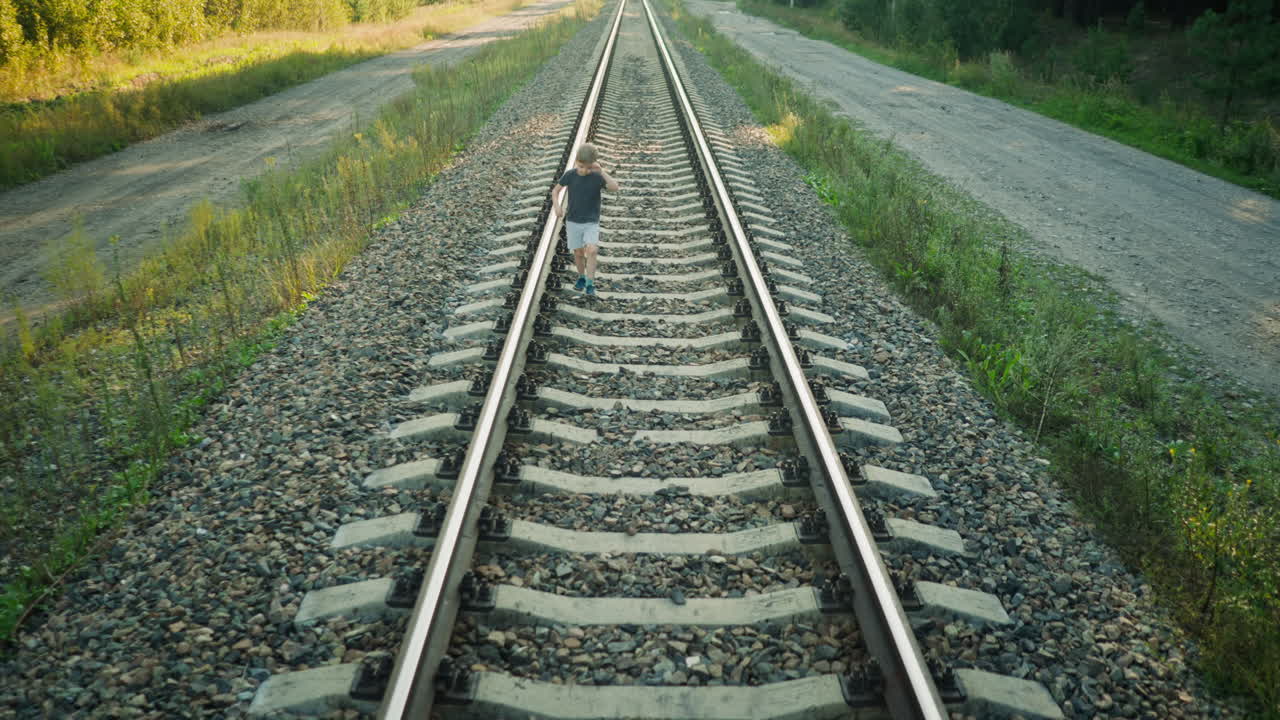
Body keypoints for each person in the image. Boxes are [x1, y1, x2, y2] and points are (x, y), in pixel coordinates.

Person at [552, 143, 619, 297]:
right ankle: (581, 277)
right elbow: (555, 191)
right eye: (581, 166)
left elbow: (615, 187)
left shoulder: (596, 177)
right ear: (576, 161)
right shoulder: (570, 175)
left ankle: (590, 283)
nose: (584, 170)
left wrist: (601, 171)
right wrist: (557, 206)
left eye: (588, 167)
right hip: (573, 220)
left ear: (593, 165)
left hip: (591, 221)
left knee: (592, 250)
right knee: (578, 252)